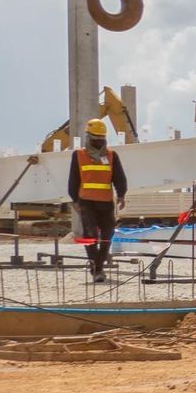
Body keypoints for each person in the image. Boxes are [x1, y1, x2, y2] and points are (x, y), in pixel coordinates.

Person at [67, 117, 127, 282]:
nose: (99, 142)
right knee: (90, 235)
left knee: (108, 233)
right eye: (95, 139)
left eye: (101, 139)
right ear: (88, 137)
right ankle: (97, 269)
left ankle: (98, 264)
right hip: (86, 202)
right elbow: (74, 179)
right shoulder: (78, 155)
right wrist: (75, 200)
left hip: (106, 202)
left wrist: (121, 194)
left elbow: (119, 177)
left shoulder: (111, 155)